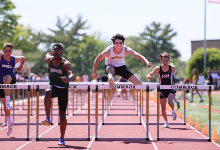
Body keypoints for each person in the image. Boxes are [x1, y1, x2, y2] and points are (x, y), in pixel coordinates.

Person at [42, 43, 74, 146]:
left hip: (63, 89)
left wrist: (68, 79)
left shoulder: (66, 63)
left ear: (61, 52)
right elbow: (47, 56)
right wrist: (47, 54)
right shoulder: (49, 60)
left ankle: (62, 138)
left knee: (62, 115)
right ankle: (47, 118)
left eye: (58, 52)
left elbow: (72, 74)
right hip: (53, 86)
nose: (56, 53)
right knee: (47, 92)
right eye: (54, 51)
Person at [0, 43, 25, 136]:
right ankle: (10, 122)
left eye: (9, 51)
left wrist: (21, 66)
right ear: (3, 52)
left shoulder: (14, 59)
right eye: (5, 51)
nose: (7, 52)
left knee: (6, 78)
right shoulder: (0, 57)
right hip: (1, 82)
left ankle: (8, 102)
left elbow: (23, 58)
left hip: (11, 79)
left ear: (11, 52)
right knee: (3, 103)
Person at [146, 52, 177, 128]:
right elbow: (151, 74)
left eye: (166, 61)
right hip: (162, 89)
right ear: (161, 61)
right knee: (163, 108)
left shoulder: (172, 68)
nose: (165, 62)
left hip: (171, 88)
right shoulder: (158, 69)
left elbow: (174, 75)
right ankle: (166, 122)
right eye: (163, 61)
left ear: (168, 60)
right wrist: (148, 76)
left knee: (170, 102)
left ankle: (173, 111)